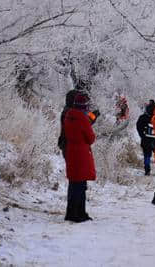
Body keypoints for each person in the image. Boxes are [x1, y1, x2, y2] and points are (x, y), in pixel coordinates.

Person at [64, 92, 98, 222]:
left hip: (71, 151)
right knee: (81, 185)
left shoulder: (68, 115)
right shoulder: (83, 119)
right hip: (82, 153)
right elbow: (91, 138)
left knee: (73, 184)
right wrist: (90, 121)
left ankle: (71, 213)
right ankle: (79, 214)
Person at [136, 100, 155, 175]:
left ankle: (147, 170)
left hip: (146, 139)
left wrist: (142, 135)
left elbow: (138, 127)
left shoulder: (143, 117)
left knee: (147, 155)